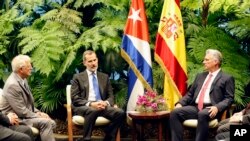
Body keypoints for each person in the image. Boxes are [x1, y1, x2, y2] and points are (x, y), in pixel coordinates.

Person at [169, 49, 235, 141]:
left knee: (202, 114)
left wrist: (217, 107)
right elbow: (190, 94)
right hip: (195, 107)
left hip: (212, 108)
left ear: (216, 62)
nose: (204, 62)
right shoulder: (200, 76)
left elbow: (229, 98)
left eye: (207, 60)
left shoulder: (227, 78)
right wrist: (180, 103)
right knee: (175, 113)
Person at [70, 50, 125, 141]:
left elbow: (111, 96)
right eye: (90, 61)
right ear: (84, 63)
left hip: (102, 106)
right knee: (93, 110)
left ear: (97, 60)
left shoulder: (104, 77)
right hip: (84, 107)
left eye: (94, 60)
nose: (93, 63)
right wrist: (91, 104)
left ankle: (108, 137)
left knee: (120, 112)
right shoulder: (78, 77)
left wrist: (106, 103)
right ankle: (86, 139)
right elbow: (75, 98)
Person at [0, 54, 56, 141]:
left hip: (24, 116)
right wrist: (37, 115)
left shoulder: (23, 79)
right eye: (29, 66)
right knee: (47, 123)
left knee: (52, 122)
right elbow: (21, 110)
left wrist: (39, 113)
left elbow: (29, 104)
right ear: (21, 69)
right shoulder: (12, 84)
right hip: (17, 119)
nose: (31, 68)